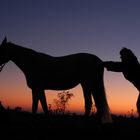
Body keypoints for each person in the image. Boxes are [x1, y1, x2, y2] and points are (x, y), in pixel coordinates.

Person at [104, 47, 140, 117]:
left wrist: (102, 63)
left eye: (122, 55)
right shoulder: (132, 62)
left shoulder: (130, 64)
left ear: (126, 56)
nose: (120, 57)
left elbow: (117, 65)